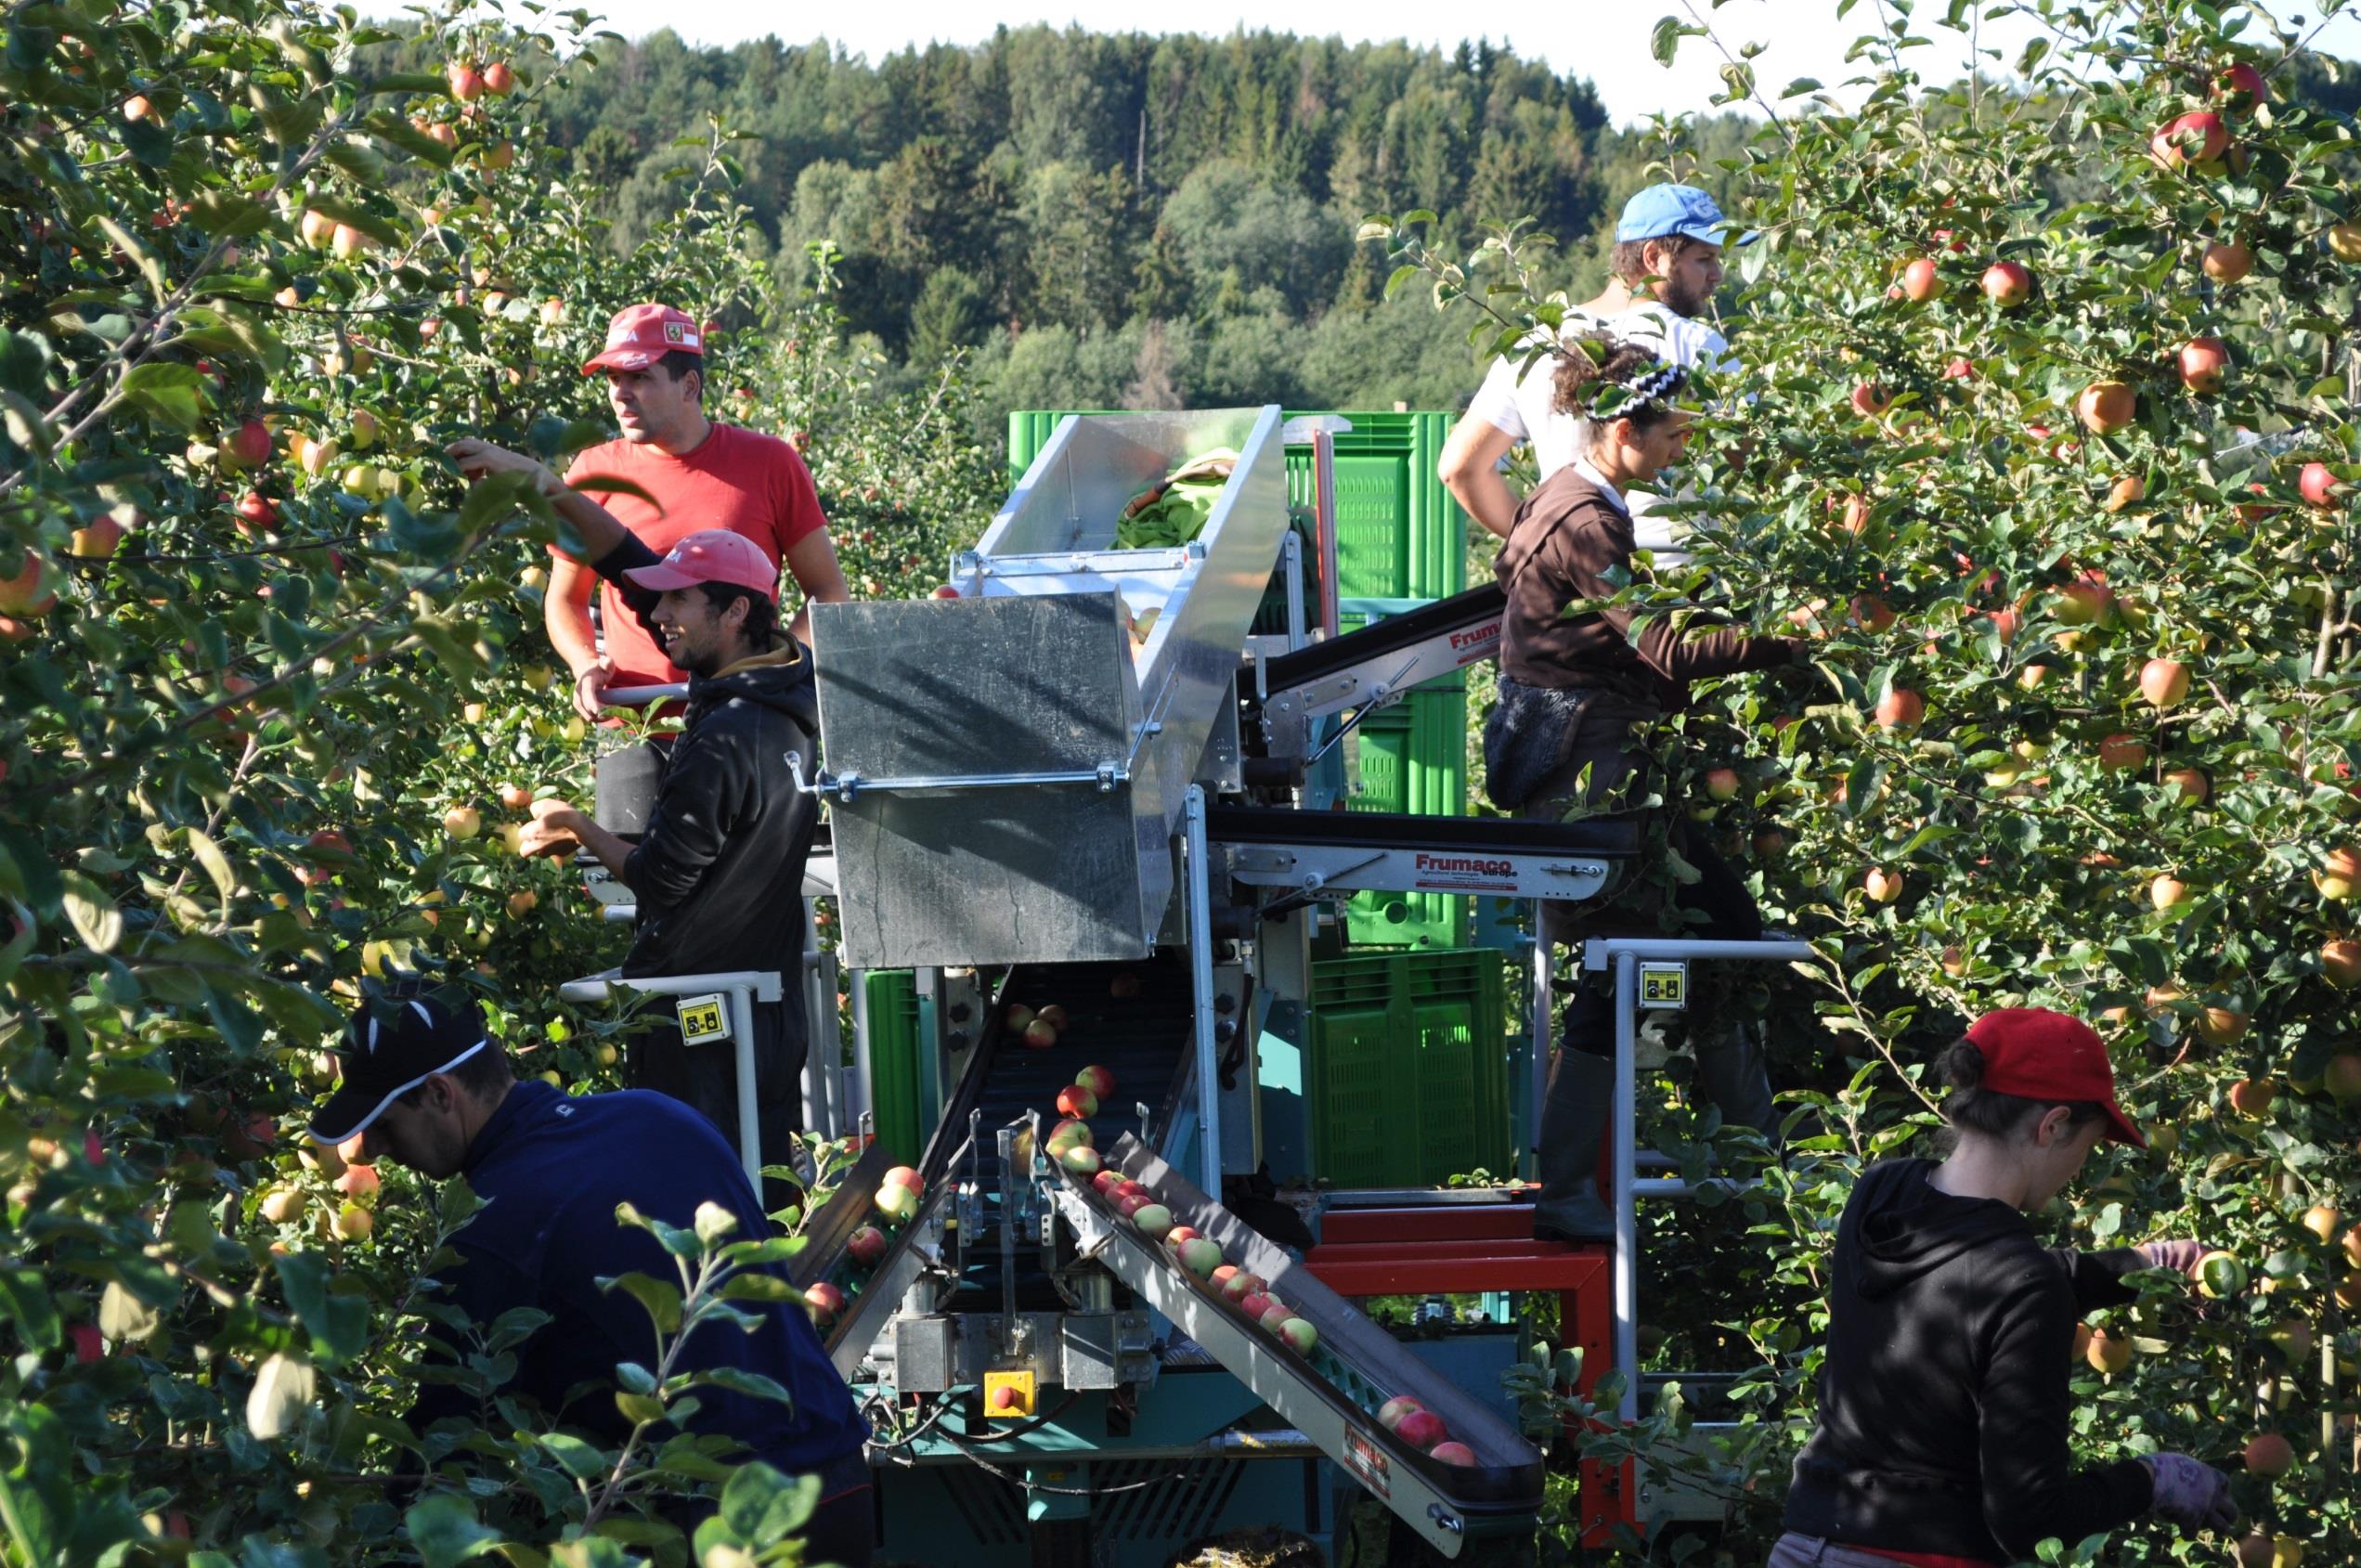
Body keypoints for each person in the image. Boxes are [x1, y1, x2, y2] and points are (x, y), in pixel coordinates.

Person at [309, 990, 875, 1564]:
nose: (370, 1149)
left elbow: (445, 1439)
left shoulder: (493, 1223)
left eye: (383, 1124)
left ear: (438, 1094)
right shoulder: (660, 1115)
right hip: (833, 1484)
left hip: (710, 1526)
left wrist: (379, 1545)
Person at [1480, 329, 1807, 1241]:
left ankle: (1753, 1155)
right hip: (1590, 784)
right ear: (1624, 428)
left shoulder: (1561, 498)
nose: (1681, 449)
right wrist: (1786, 637)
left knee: (1722, 928)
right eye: (1671, 435)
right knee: (1617, 977)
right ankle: (1566, 1193)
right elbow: (1659, 647)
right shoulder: (1589, 523)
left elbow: (1518, 579)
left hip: (1597, 773)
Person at [451, 434, 819, 1179]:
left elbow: (660, 881)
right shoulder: (788, 701)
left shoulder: (722, 740)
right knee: (765, 1185)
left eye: (681, 599)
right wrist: (545, 484)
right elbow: (623, 557)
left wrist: (577, 827)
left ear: (736, 610)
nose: (659, 617)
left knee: (700, 1197)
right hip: (770, 1010)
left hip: (701, 1015)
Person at [1773, 1007, 2238, 1566]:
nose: (2078, 1169)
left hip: (1805, 1543)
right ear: (2052, 1126)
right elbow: (2030, 1520)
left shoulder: (1880, 1195)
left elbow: (1964, 1278)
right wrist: (2152, 1478)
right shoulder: (2024, 1285)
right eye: (2087, 1146)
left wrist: (2142, 1264)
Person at [552, 303, 850, 721]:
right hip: (633, 721)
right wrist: (583, 665)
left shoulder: (769, 464)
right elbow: (566, 597)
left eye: (640, 377)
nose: (620, 392)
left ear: (689, 386)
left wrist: (777, 674)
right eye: (614, 378)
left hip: (745, 719)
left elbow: (829, 592)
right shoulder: (594, 471)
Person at [1439, 183, 1743, 548]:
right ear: (1653, 257)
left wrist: (1544, 547)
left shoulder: (1537, 342)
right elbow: (1757, 461)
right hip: (1673, 590)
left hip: (1573, 589)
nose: (1717, 274)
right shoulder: (1698, 345)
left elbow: (1459, 468)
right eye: (1705, 259)